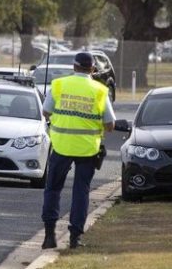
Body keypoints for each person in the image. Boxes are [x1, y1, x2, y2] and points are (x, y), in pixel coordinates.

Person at [41, 52, 116, 249]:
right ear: (92, 69)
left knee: (53, 190)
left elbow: (45, 111)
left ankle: (49, 236)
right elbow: (110, 124)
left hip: (61, 146)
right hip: (87, 149)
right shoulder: (100, 90)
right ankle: (75, 238)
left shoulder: (58, 85)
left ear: (73, 67)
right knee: (81, 192)